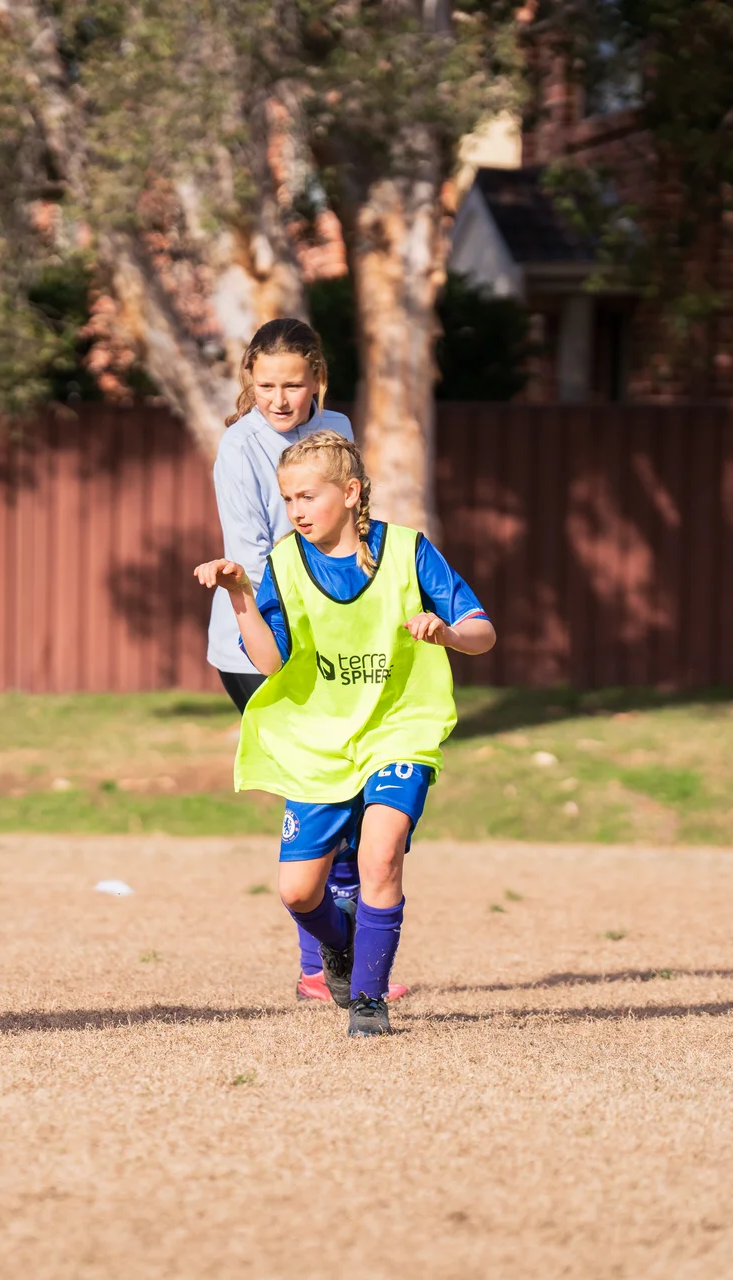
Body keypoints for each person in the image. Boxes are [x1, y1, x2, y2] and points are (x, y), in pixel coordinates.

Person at [193, 431, 495, 1036]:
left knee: (382, 856)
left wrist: (448, 633)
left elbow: (482, 633)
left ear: (351, 493)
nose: (296, 510)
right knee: (300, 892)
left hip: (399, 731)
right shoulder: (281, 562)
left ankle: (367, 1001)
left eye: (307, 496)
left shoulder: (409, 551)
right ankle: (338, 947)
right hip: (318, 743)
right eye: (288, 499)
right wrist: (239, 597)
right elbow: (270, 663)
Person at [208, 319, 407, 1003]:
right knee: (322, 790)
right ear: (248, 382)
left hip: (337, 647)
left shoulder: (340, 426)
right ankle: (325, 967)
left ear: (317, 377)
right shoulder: (238, 449)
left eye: (293, 384)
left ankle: (331, 965)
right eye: (265, 386)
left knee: (351, 805)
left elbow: (352, 526)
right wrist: (321, 610)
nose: (280, 399)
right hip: (262, 647)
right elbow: (253, 551)